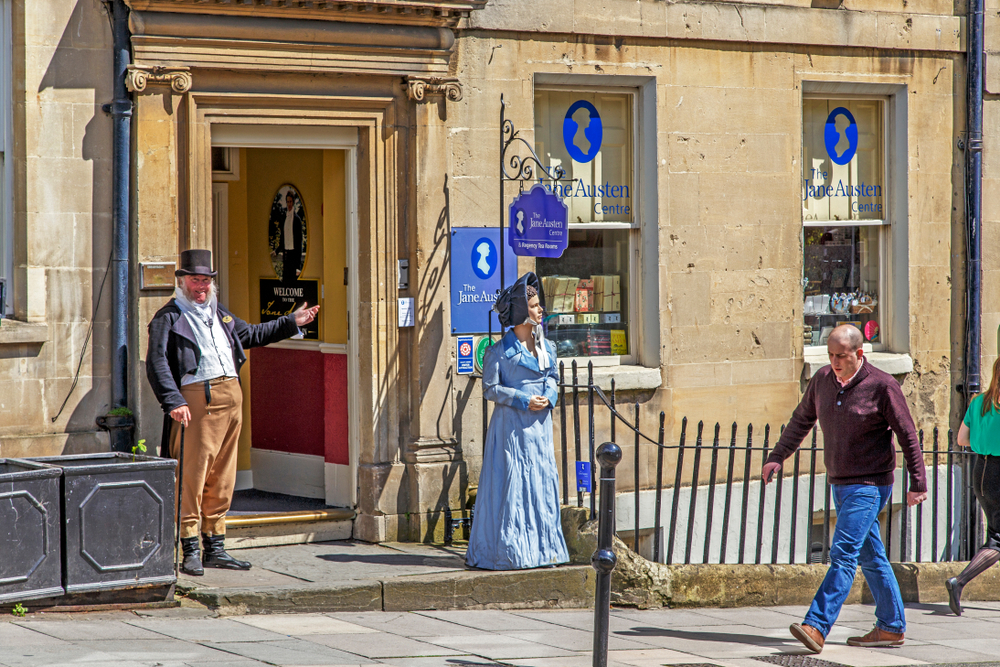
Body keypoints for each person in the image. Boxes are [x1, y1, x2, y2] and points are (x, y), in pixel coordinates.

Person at [146, 249, 319, 576]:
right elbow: (156, 364)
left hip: (230, 396)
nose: (202, 286)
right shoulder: (168, 317)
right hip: (197, 399)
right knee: (192, 476)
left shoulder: (218, 313)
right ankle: (190, 548)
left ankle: (216, 546)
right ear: (182, 282)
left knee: (223, 477)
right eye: (196, 280)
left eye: (206, 281)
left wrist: (291, 322)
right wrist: (174, 401)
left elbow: (251, 334)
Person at [762, 324, 927, 653]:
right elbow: (801, 420)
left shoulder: (882, 386)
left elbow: (907, 434)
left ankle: (817, 625)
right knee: (872, 557)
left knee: (842, 554)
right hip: (840, 480)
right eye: (831, 355)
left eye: (842, 356)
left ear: (859, 353)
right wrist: (777, 456)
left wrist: (917, 481)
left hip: (870, 484)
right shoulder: (822, 380)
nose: (835, 362)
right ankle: (891, 627)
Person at [465, 272, 569, 570]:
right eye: (535, 306)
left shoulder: (547, 348)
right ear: (523, 311)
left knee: (540, 482)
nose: (540, 311)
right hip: (512, 428)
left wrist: (549, 396)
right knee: (513, 483)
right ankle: (510, 552)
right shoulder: (499, 352)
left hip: (539, 428)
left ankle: (544, 550)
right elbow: (490, 389)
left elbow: (553, 378)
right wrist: (524, 400)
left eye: (539, 306)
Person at [945, 357, 1000, 615]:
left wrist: (984, 436)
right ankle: (960, 581)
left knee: (996, 533)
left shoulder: (978, 402)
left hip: (981, 471)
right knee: (998, 540)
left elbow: (962, 439)